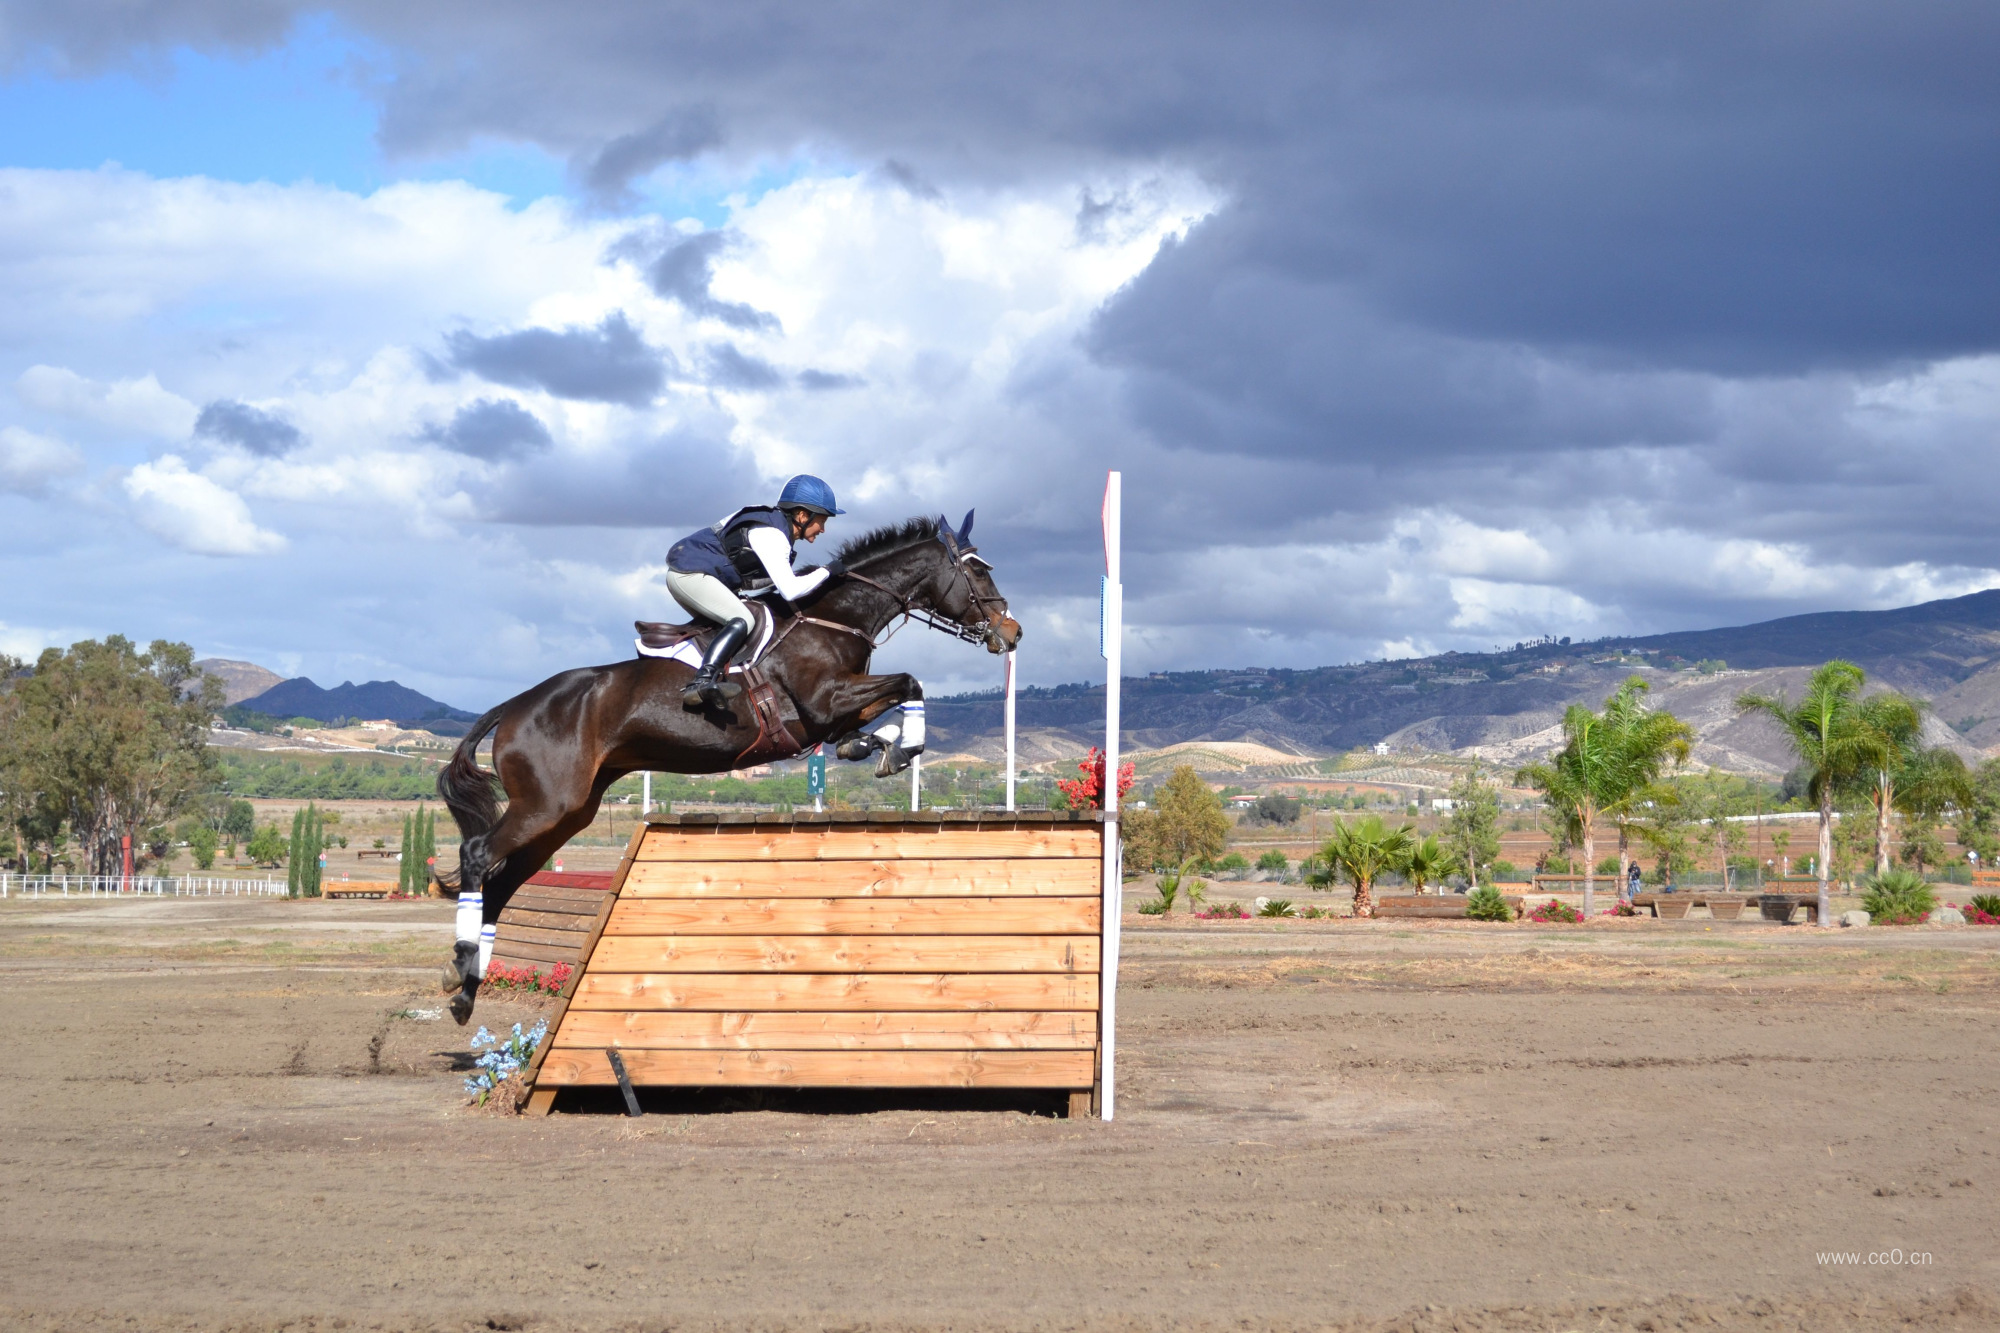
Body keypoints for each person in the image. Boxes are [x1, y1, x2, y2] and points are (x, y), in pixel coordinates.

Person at [664, 475, 848, 708]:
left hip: (701, 576)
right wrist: (828, 571)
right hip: (688, 574)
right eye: (822, 520)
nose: (822, 529)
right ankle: (701, 681)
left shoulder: (776, 531)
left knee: (742, 622)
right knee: (741, 619)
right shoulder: (772, 535)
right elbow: (790, 591)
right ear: (802, 516)